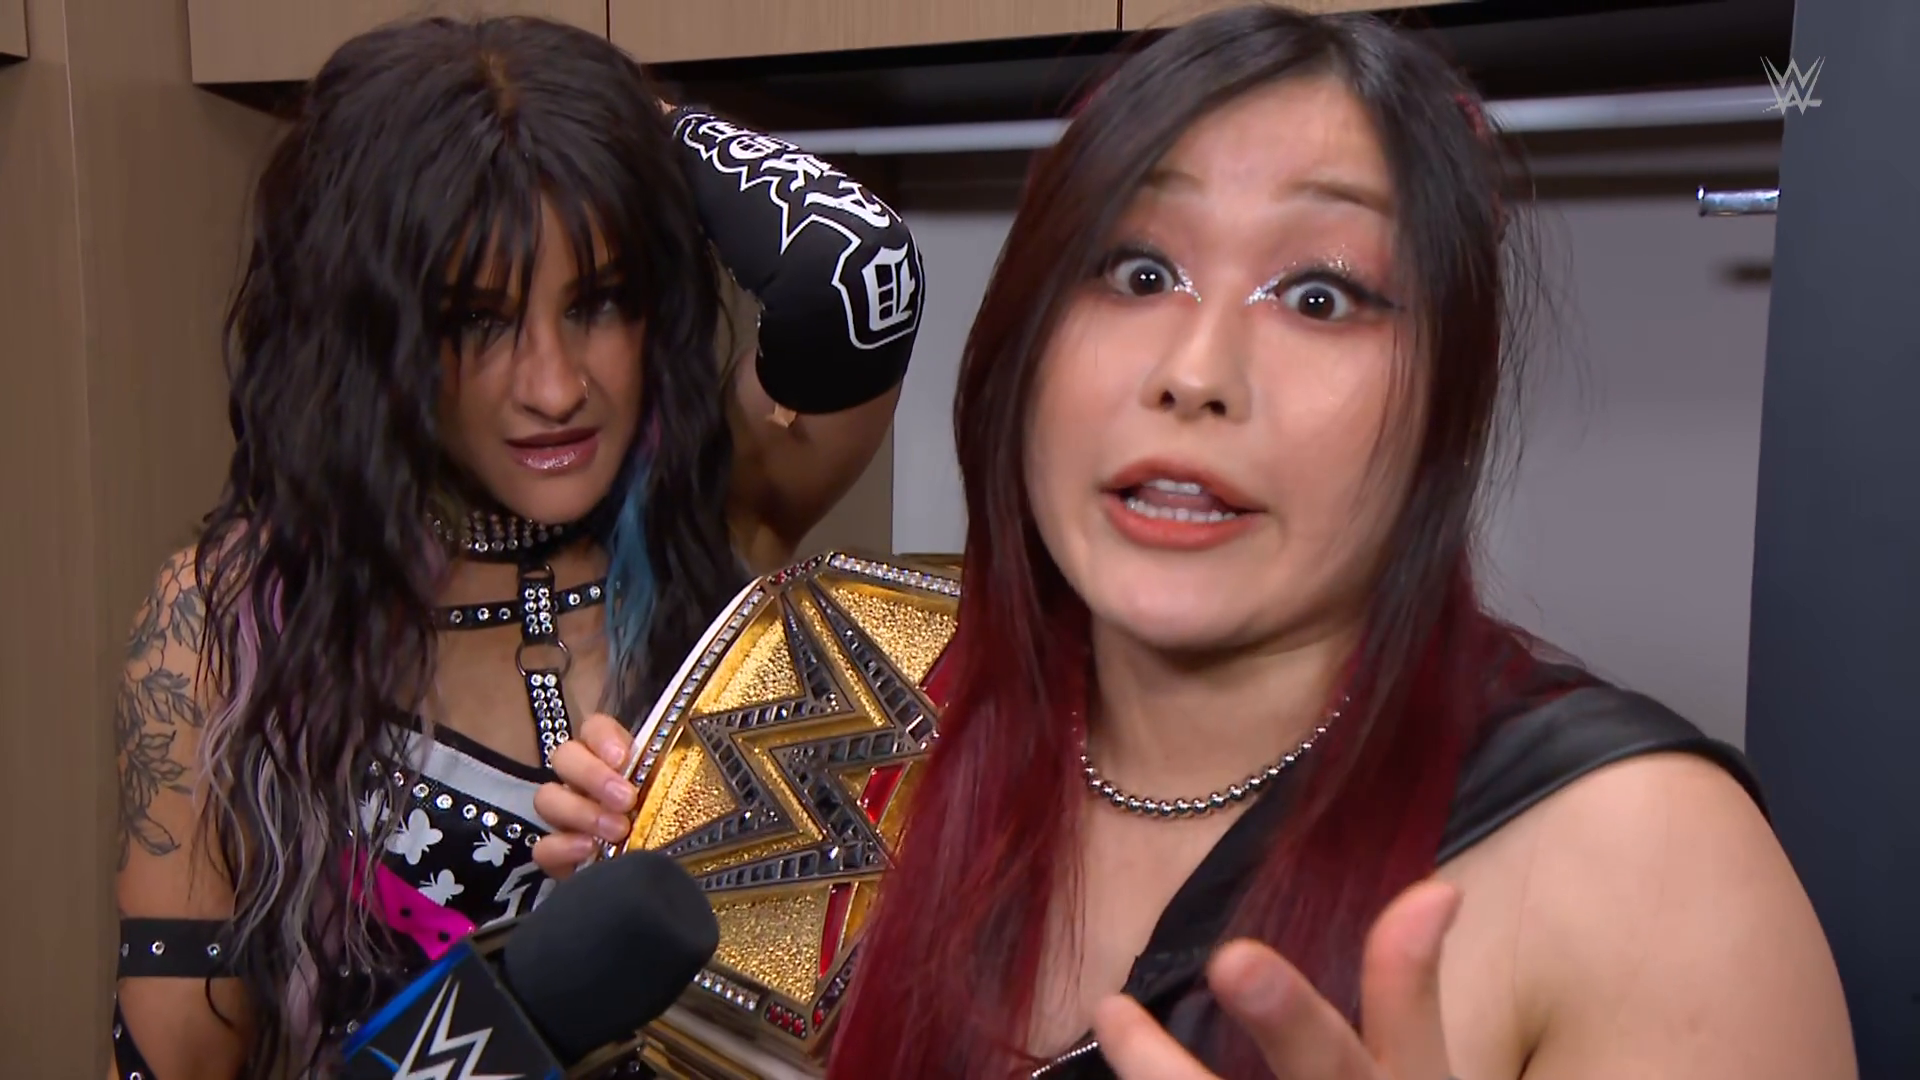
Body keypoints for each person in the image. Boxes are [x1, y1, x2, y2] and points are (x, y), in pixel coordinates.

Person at [534, 6, 1855, 1079]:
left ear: (1447, 398)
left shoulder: (1647, 867)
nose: (1196, 370)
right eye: (1138, 272)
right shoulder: (854, 693)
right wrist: (655, 930)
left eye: (1321, 295)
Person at [110, 14, 923, 1080]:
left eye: (600, 301)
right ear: (373, 334)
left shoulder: (712, 506)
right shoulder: (236, 611)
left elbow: (854, 266)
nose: (554, 386)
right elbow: (170, 1066)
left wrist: (607, 127)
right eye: (477, 320)